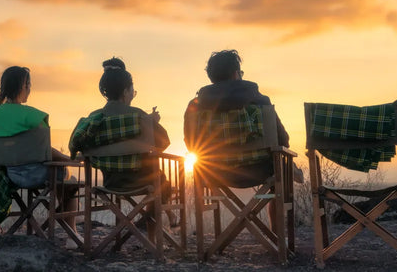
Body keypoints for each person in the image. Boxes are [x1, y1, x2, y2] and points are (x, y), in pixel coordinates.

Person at [183, 49, 303, 187]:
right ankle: (278, 198)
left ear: (211, 78)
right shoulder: (261, 100)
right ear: (236, 74)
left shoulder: (195, 106)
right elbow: (283, 140)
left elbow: (191, 144)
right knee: (280, 163)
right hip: (261, 171)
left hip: (212, 173)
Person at [70, 57, 171, 191]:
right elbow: (163, 142)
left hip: (110, 183)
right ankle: (149, 212)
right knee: (165, 184)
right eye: (132, 92)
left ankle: (144, 213)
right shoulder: (139, 117)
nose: (132, 96)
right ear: (124, 92)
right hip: (143, 180)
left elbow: (78, 146)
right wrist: (151, 123)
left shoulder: (92, 119)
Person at [0, 65, 73, 187]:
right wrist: (69, 158)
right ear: (24, 86)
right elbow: (45, 151)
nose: (29, 89)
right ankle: (62, 207)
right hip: (38, 176)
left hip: (6, 176)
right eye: (29, 85)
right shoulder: (34, 116)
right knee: (70, 179)